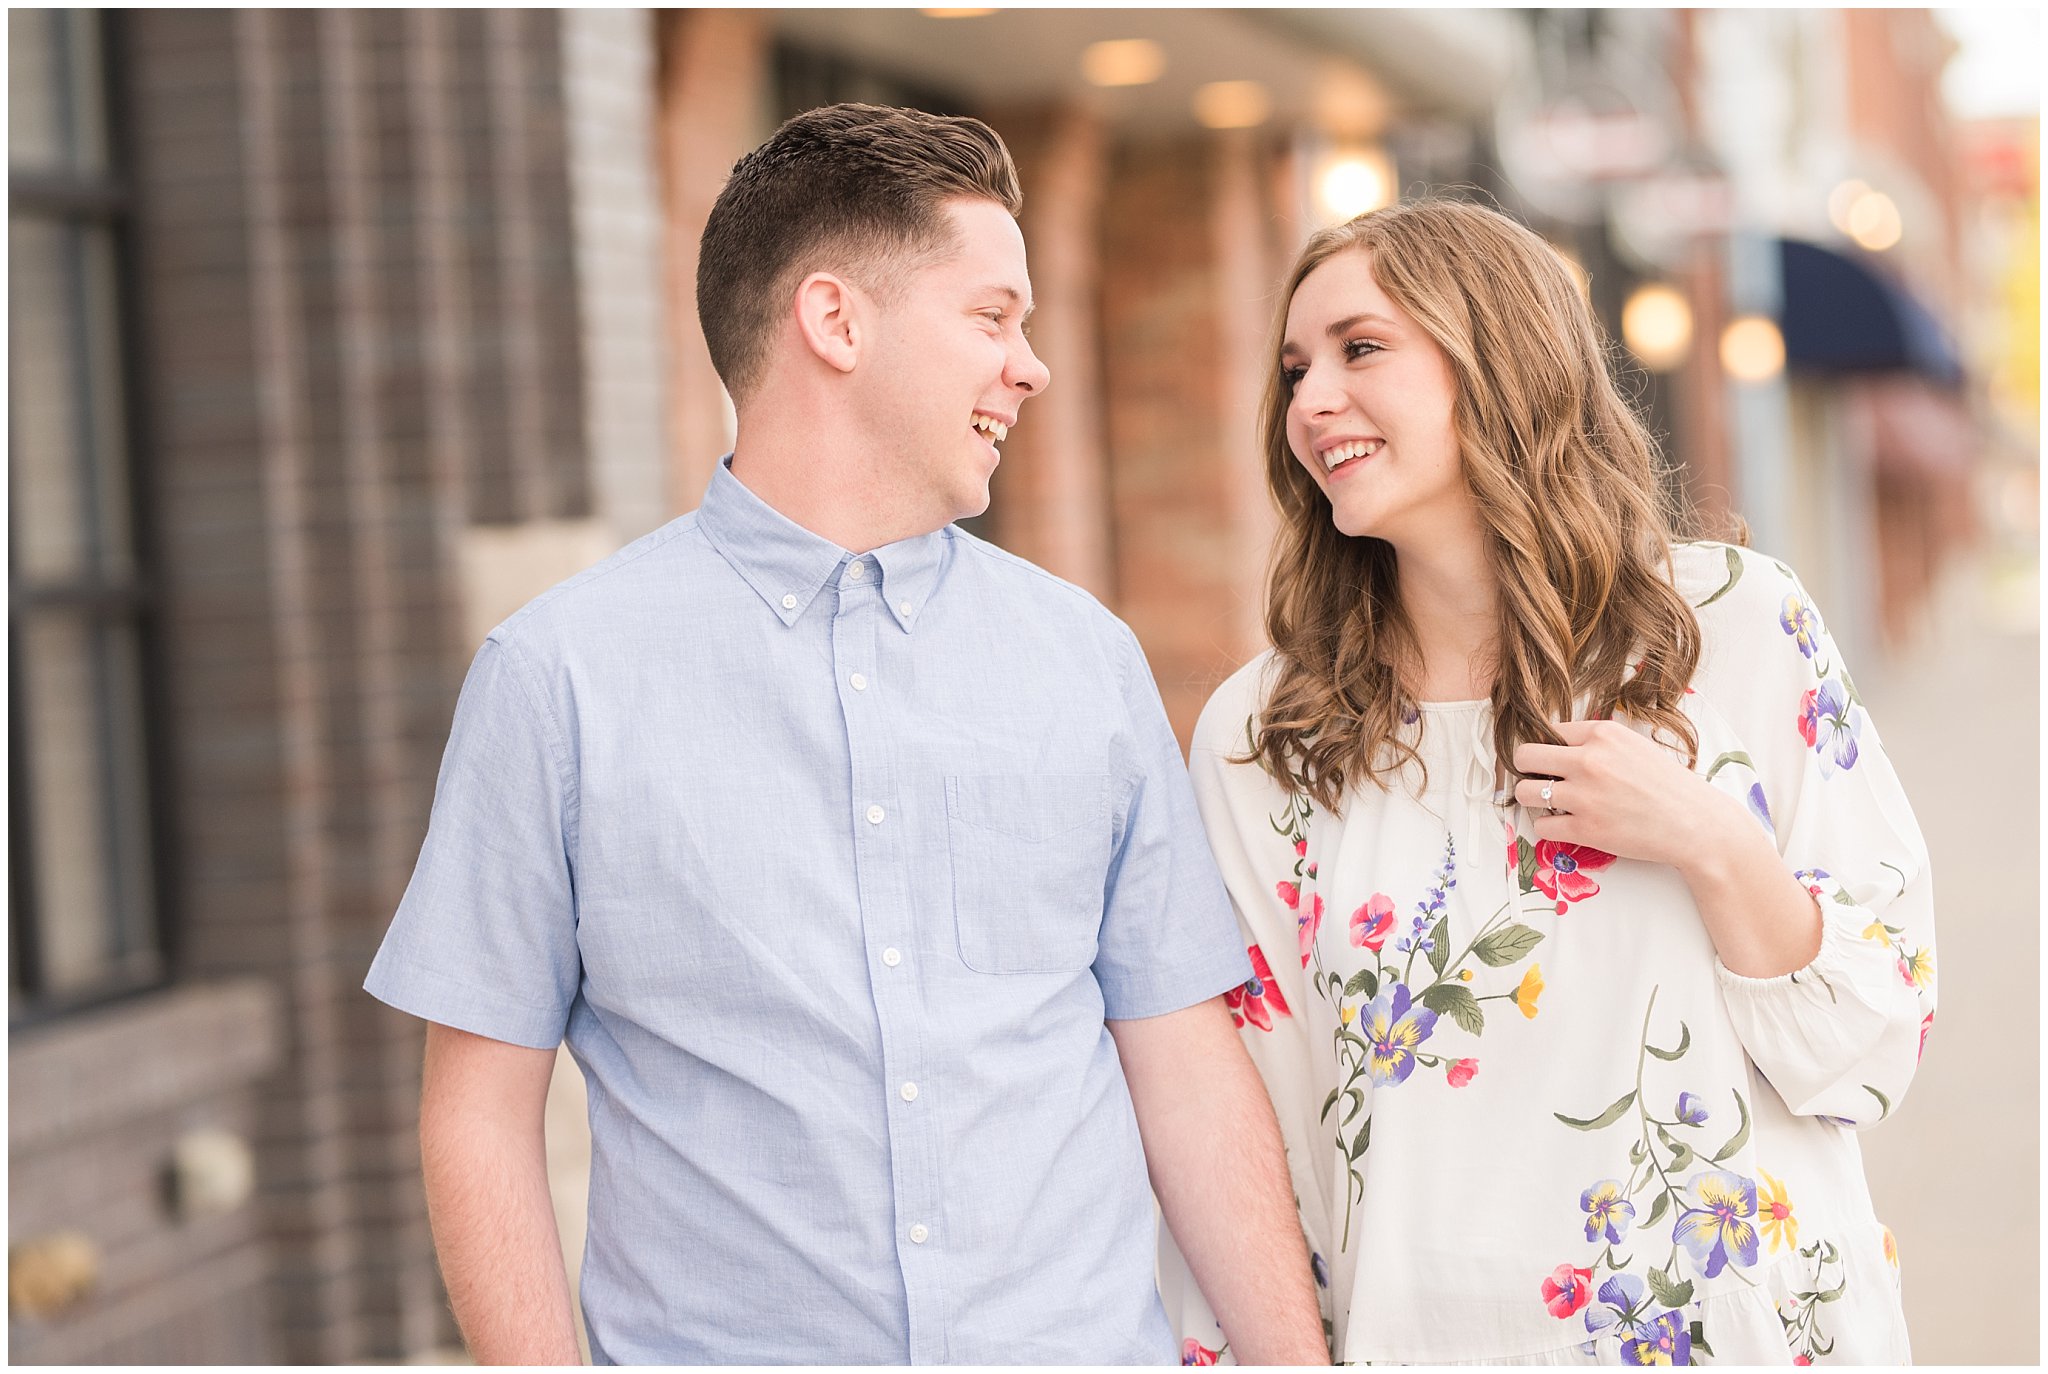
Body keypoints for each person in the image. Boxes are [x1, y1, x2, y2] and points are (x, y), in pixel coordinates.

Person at [365, 103, 1328, 1366]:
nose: (1028, 366)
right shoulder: (557, 679)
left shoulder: (1082, 659)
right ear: (835, 321)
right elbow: (478, 1119)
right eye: (992, 317)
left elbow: (1183, 1067)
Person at [1159, 199, 1934, 1365]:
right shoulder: (1261, 736)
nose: (1310, 401)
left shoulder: (1729, 631)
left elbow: (1866, 1051)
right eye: (1292, 368)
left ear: (1501, 359)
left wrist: (1711, 841)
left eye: (1360, 348)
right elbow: (1260, 1129)